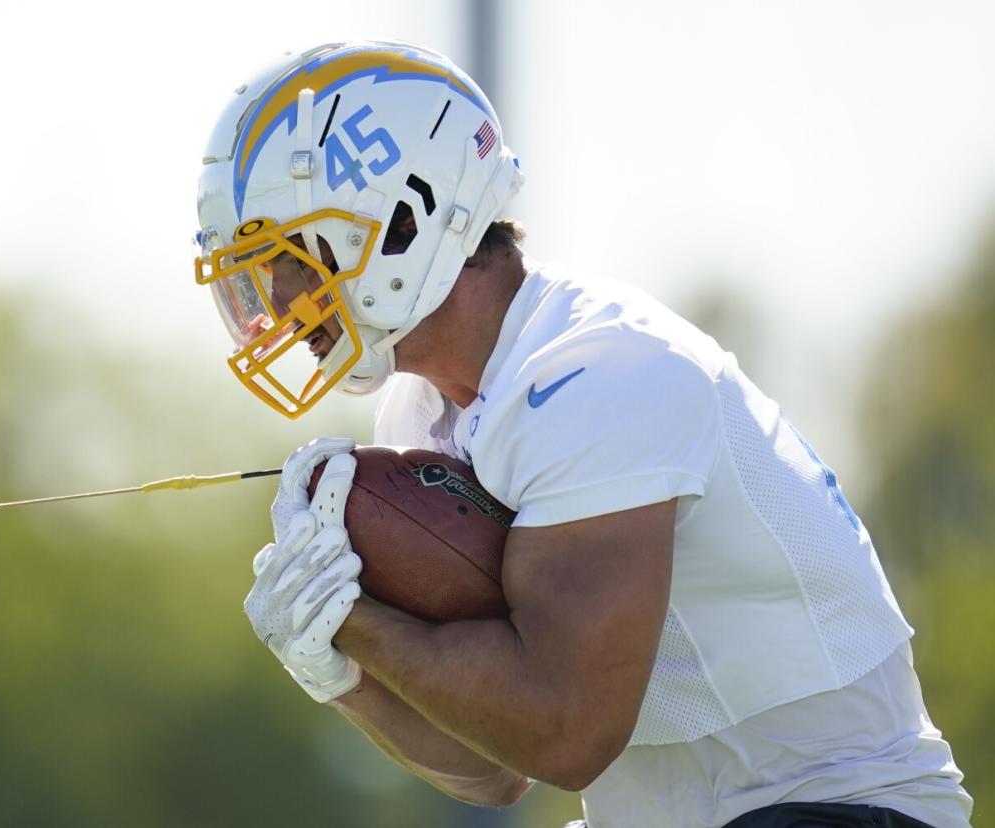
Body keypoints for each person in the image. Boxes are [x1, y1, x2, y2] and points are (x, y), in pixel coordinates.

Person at [192, 40, 972, 827]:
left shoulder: (599, 371)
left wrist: (361, 621)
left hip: (835, 807)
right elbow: (496, 770)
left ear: (400, 218)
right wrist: (338, 668)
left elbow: (567, 733)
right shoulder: (421, 412)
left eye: (286, 258)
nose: (275, 304)